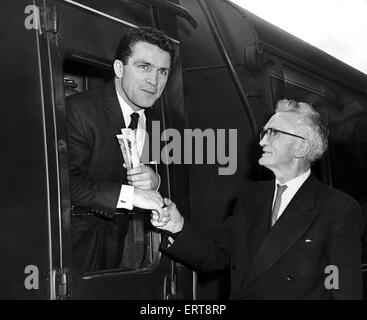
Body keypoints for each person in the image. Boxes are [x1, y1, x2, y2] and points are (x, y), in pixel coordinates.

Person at [152, 99, 364, 299]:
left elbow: (340, 289)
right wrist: (177, 226)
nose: (262, 140)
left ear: (301, 147)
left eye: (273, 133)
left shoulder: (337, 209)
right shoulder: (251, 197)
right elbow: (215, 255)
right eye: (264, 132)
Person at [66, 27, 175, 273]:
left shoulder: (159, 121)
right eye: (144, 66)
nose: (154, 81)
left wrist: (155, 181)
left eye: (163, 71)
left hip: (119, 251)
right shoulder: (79, 111)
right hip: (73, 253)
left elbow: (173, 185)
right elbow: (64, 184)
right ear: (118, 69)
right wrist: (132, 195)